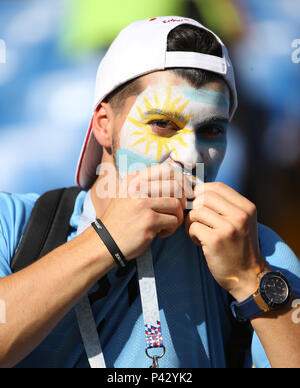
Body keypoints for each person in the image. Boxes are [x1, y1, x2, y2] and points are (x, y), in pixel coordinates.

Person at [0, 16, 300, 369]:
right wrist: (105, 241)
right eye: (163, 124)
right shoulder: (16, 223)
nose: (189, 156)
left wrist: (251, 279)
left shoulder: (257, 250)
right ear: (104, 126)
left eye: (212, 129)